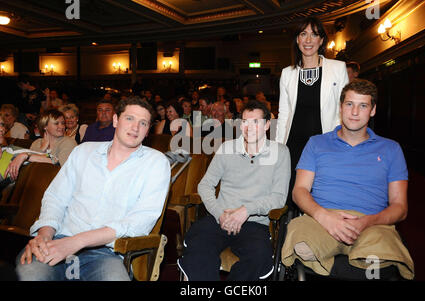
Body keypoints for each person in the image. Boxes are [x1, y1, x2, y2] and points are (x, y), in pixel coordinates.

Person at [15, 96, 171, 281]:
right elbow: (56, 197)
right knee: (30, 274)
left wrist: (77, 242)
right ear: (115, 120)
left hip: (105, 253)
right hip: (58, 239)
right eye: (129, 118)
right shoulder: (84, 151)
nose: (135, 127)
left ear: (147, 131)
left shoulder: (155, 162)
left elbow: (140, 221)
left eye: (143, 123)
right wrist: (44, 235)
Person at [281, 79, 414, 280]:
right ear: (341, 107)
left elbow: (400, 207)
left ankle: (336, 265)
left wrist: (368, 222)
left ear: (373, 110)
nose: (354, 112)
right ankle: (343, 263)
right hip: (321, 219)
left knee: (384, 255)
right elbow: (299, 191)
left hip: (372, 223)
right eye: (349, 104)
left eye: (363, 106)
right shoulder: (316, 143)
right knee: (300, 241)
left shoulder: (391, 149)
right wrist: (325, 217)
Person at [178, 100, 290, 281]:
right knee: (197, 243)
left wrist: (245, 211)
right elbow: (205, 185)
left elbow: (278, 198)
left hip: (255, 223)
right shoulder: (227, 148)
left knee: (259, 257)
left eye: (256, 122)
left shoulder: (280, 152)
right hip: (220, 217)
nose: (249, 127)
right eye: (245, 121)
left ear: (267, 125)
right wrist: (219, 214)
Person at [275, 16, 349, 210]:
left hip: (325, 142)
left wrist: (340, 142)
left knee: (320, 194)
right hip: (293, 144)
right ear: (297, 40)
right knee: (291, 195)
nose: (308, 40)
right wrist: (278, 148)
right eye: (303, 34)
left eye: (314, 35)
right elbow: (283, 114)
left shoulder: (338, 68)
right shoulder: (287, 73)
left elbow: (345, 109)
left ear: (321, 40)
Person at [5, 110, 77, 181]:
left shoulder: (68, 142)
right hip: (35, 182)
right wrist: (42, 148)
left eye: (63, 123)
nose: (61, 126)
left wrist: (26, 156)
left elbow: (62, 167)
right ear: (45, 126)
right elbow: (32, 166)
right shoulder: (37, 142)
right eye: (56, 123)